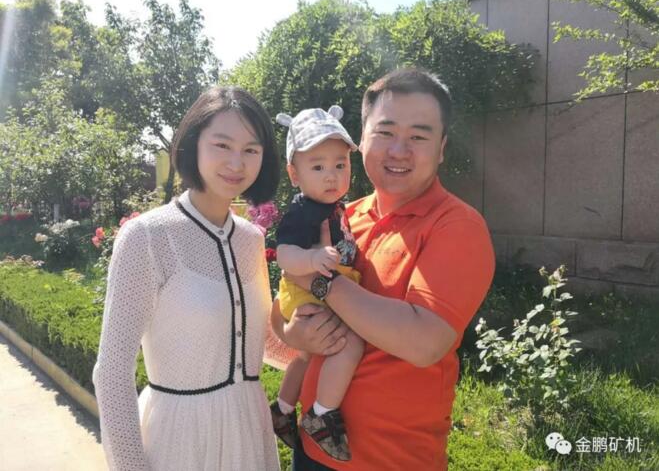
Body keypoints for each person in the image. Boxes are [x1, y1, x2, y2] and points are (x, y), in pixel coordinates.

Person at [271, 68, 496, 470]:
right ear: (362, 139)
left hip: (391, 460)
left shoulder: (456, 226)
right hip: (311, 452)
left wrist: (321, 282)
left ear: (441, 148)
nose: (399, 150)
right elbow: (280, 310)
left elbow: (423, 342)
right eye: (386, 132)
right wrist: (294, 334)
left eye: (419, 137)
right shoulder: (341, 215)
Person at [93, 86, 281, 470]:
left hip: (248, 433)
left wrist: (313, 346)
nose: (236, 162)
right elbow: (111, 372)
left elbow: (255, 342)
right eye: (222, 145)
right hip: (180, 441)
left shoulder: (251, 239)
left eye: (251, 149)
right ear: (193, 143)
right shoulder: (148, 237)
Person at [269, 105, 362, 462]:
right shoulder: (303, 210)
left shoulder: (336, 207)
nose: (331, 176)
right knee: (348, 343)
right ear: (294, 174)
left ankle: (282, 408)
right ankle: (321, 415)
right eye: (318, 167)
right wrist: (312, 260)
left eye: (340, 164)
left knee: (307, 355)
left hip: (317, 289)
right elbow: (284, 255)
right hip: (306, 290)